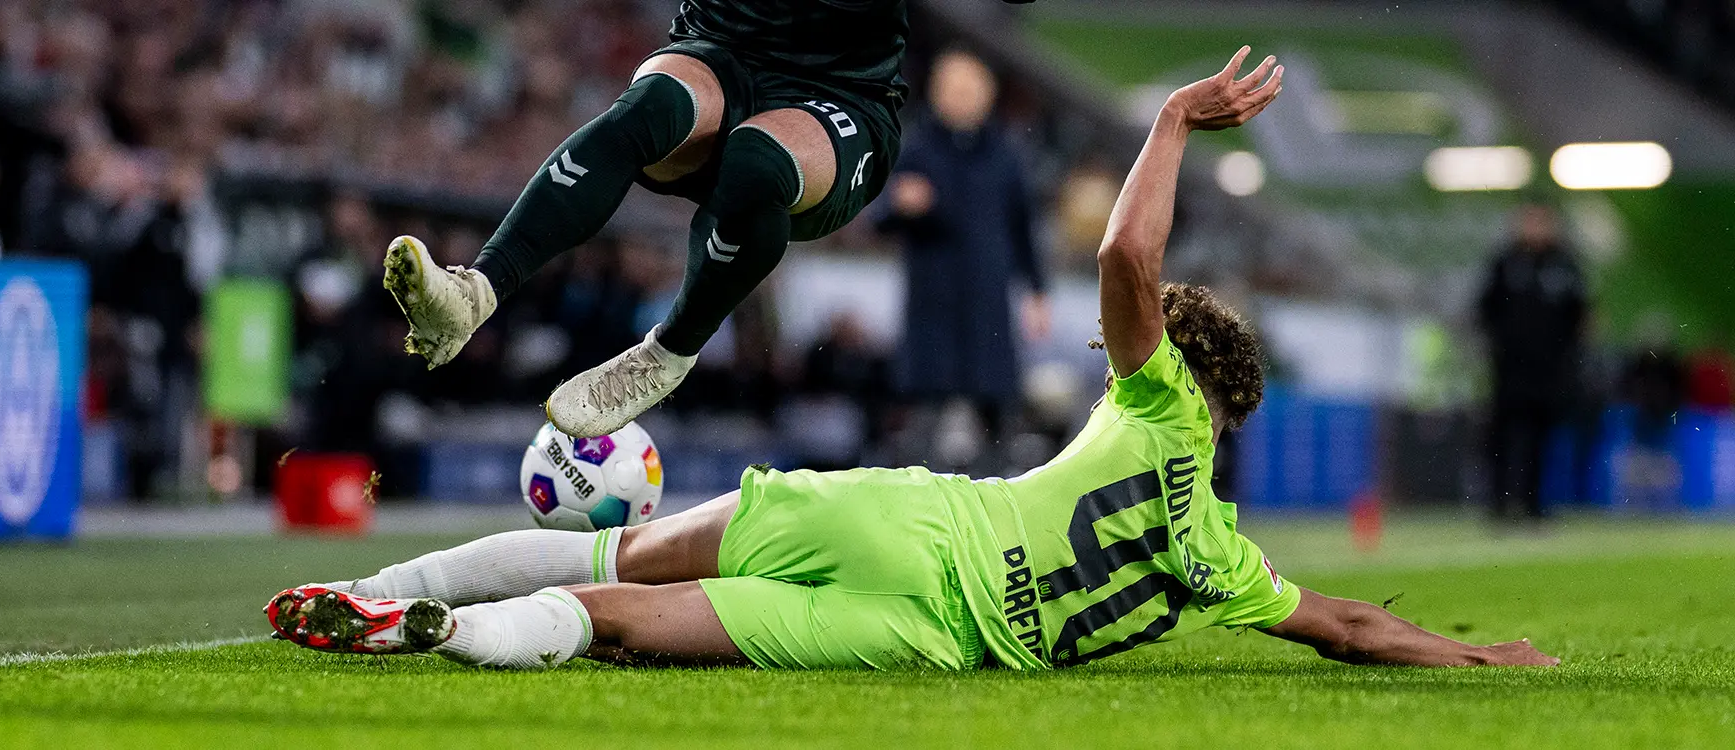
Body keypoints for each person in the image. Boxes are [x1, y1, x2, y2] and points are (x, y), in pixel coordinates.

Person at [265, 49, 1558, 672]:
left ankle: (387, 580)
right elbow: (1342, 623)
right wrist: (1475, 657)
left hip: (903, 517)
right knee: (608, 623)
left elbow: (1119, 264)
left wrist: (1172, 123)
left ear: (1181, 362)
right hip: (931, 630)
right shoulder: (1217, 550)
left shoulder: (1156, 401)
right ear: (1239, 417)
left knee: (610, 554)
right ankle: (429, 633)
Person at [380, 0, 1033, 440]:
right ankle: (472, 295)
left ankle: (669, 351)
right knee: (647, 108)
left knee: (757, 159)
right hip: (718, 49)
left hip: (838, 96)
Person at [880, 49, 1049, 471]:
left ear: (987, 95)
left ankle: (994, 503)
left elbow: (1024, 229)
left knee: (996, 410)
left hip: (987, 302)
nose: (961, 99)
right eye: (952, 89)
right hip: (932, 302)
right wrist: (904, 205)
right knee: (924, 415)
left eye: (970, 90)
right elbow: (881, 215)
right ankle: (911, 499)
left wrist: (1037, 292)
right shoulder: (916, 146)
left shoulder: (1006, 154)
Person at [1476, 203, 1589, 524]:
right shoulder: (1505, 262)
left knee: (1541, 437)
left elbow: (1581, 314)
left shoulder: (1564, 265)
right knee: (1503, 434)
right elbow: (1485, 307)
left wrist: (1568, 355)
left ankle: (1533, 504)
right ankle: (1498, 503)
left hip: (1549, 369)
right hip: (1510, 368)